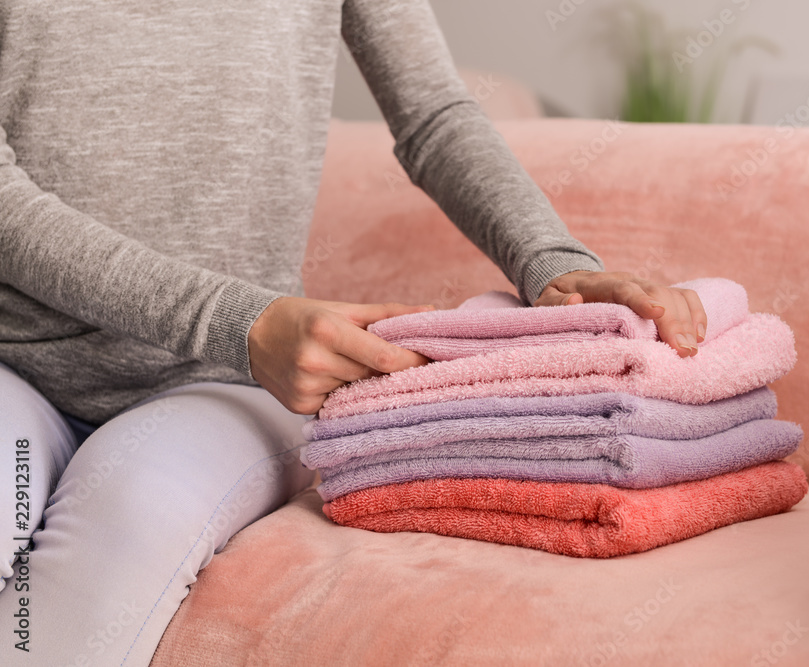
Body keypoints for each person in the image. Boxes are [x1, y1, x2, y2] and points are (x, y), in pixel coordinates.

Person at [0, 0, 707, 664]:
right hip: (18, 361)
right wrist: (234, 318)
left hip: (224, 379)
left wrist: (551, 263)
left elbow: (432, 111)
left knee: (128, 519)